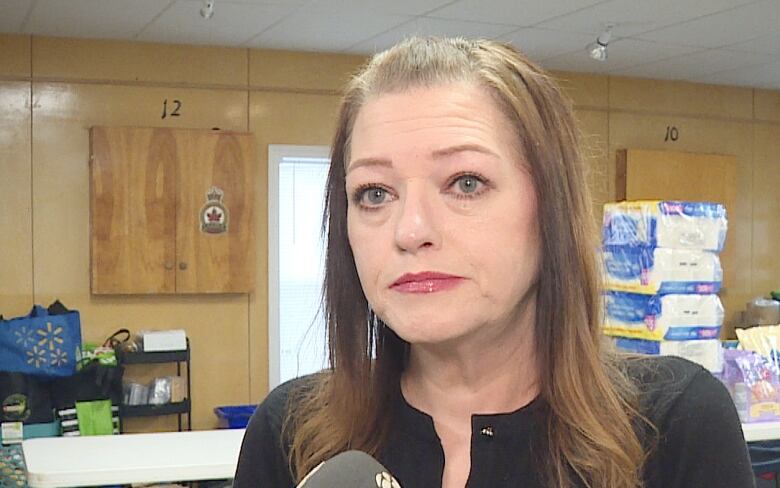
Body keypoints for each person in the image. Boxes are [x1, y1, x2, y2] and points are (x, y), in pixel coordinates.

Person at [233, 37, 754, 488]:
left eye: (465, 183)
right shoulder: (289, 434)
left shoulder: (676, 424)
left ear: (550, 208)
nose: (411, 231)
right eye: (374, 193)